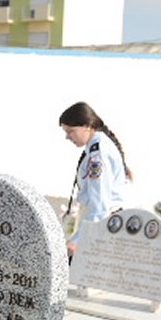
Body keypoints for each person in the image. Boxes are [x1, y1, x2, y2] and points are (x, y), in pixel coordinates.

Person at [59, 101, 132, 258]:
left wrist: (77, 240)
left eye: (71, 131)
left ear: (87, 126)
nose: (67, 137)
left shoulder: (98, 153)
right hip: (98, 222)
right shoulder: (96, 146)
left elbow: (100, 205)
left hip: (101, 225)